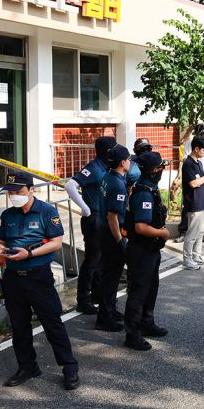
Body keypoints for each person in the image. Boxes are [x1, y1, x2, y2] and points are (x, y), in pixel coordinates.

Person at [0, 172, 79, 390]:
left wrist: (30, 254)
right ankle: (27, 366)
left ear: (31, 189)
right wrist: (0, 251)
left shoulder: (47, 211)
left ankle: (69, 366)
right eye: (10, 192)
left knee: (52, 322)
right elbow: (1, 240)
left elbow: (56, 243)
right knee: (19, 325)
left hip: (38, 276)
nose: (14, 195)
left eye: (18, 191)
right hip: (13, 277)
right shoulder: (7, 215)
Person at [122, 151, 170, 351]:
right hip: (141, 250)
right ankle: (132, 334)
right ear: (154, 170)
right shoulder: (143, 193)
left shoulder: (148, 187)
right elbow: (141, 227)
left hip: (150, 249)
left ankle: (147, 323)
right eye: (160, 167)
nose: (162, 170)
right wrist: (163, 233)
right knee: (138, 292)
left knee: (151, 289)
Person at [65, 136, 116, 315]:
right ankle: (83, 298)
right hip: (93, 219)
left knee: (101, 258)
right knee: (92, 259)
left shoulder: (108, 167)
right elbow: (70, 185)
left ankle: (97, 293)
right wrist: (86, 209)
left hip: (104, 218)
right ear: (107, 151)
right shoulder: (93, 168)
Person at [95, 145, 131, 332]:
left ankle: (110, 309)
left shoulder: (108, 176)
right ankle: (104, 316)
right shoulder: (117, 184)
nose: (130, 162)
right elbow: (113, 216)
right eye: (128, 159)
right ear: (123, 162)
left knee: (111, 276)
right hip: (111, 233)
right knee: (110, 276)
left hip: (104, 230)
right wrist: (119, 241)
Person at [181, 136, 204, 270]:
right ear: (196, 149)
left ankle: (196, 256)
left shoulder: (198, 163)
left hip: (203, 202)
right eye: (203, 150)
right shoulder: (188, 163)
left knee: (200, 232)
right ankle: (187, 259)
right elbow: (194, 183)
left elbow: (201, 180)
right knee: (192, 233)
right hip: (194, 203)